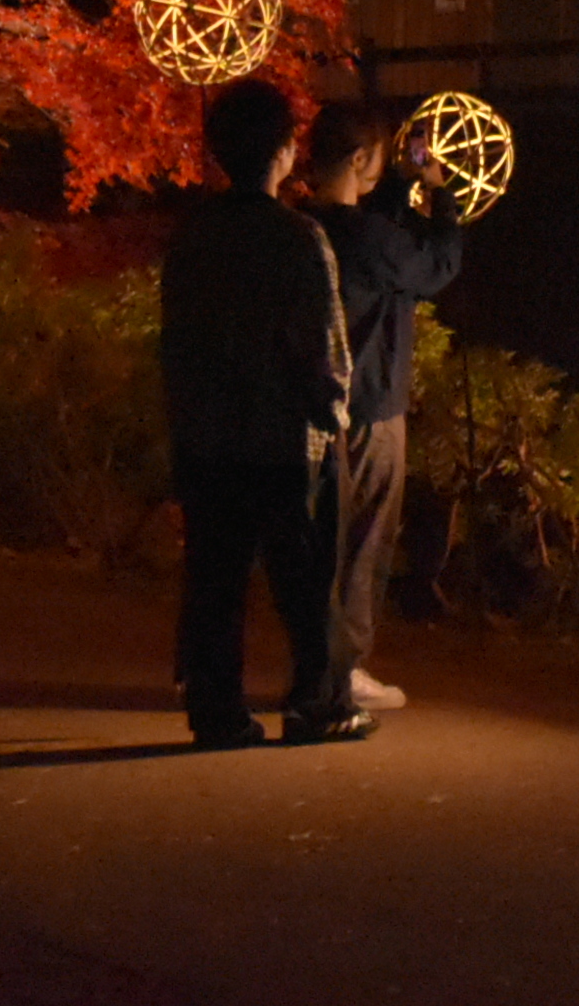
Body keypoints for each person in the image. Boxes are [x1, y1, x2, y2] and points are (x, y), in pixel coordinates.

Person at [159, 78, 366, 749]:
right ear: (282, 152)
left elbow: (176, 341)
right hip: (279, 439)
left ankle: (217, 709)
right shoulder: (297, 238)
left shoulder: (194, 237)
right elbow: (322, 345)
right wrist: (331, 411)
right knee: (303, 582)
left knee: (216, 579)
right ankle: (317, 703)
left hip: (207, 434)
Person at [303, 100, 468, 711]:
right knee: (368, 538)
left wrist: (400, 181)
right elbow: (435, 264)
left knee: (325, 540)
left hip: (317, 404)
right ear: (360, 158)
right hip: (372, 406)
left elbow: (378, 233)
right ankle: (344, 672)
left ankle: (321, 663)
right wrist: (443, 199)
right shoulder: (369, 237)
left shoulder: (308, 227)